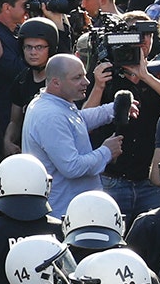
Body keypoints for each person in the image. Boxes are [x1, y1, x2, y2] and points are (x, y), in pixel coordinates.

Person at [22, 54, 126, 215]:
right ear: (56, 82)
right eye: (78, 77)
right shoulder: (51, 115)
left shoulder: (55, 103)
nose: (87, 82)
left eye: (84, 75)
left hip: (77, 210)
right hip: (67, 214)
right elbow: (72, 167)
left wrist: (112, 109)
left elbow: (77, 121)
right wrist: (106, 151)